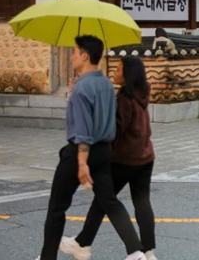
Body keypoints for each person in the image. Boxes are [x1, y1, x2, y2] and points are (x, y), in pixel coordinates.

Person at [37, 35, 146, 260]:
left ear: (85, 56)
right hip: (104, 152)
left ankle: (48, 258)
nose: (71, 56)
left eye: (75, 52)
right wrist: (73, 94)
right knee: (109, 201)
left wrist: (81, 162)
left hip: (80, 152)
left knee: (57, 206)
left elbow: (84, 129)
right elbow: (98, 117)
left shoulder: (82, 88)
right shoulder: (106, 83)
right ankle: (136, 252)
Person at [60, 56, 158, 260]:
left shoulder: (125, 99)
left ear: (127, 74)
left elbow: (113, 130)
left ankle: (88, 244)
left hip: (125, 159)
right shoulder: (140, 94)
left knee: (105, 201)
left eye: (120, 68)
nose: (115, 70)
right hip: (145, 157)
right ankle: (148, 252)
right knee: (141, 203)